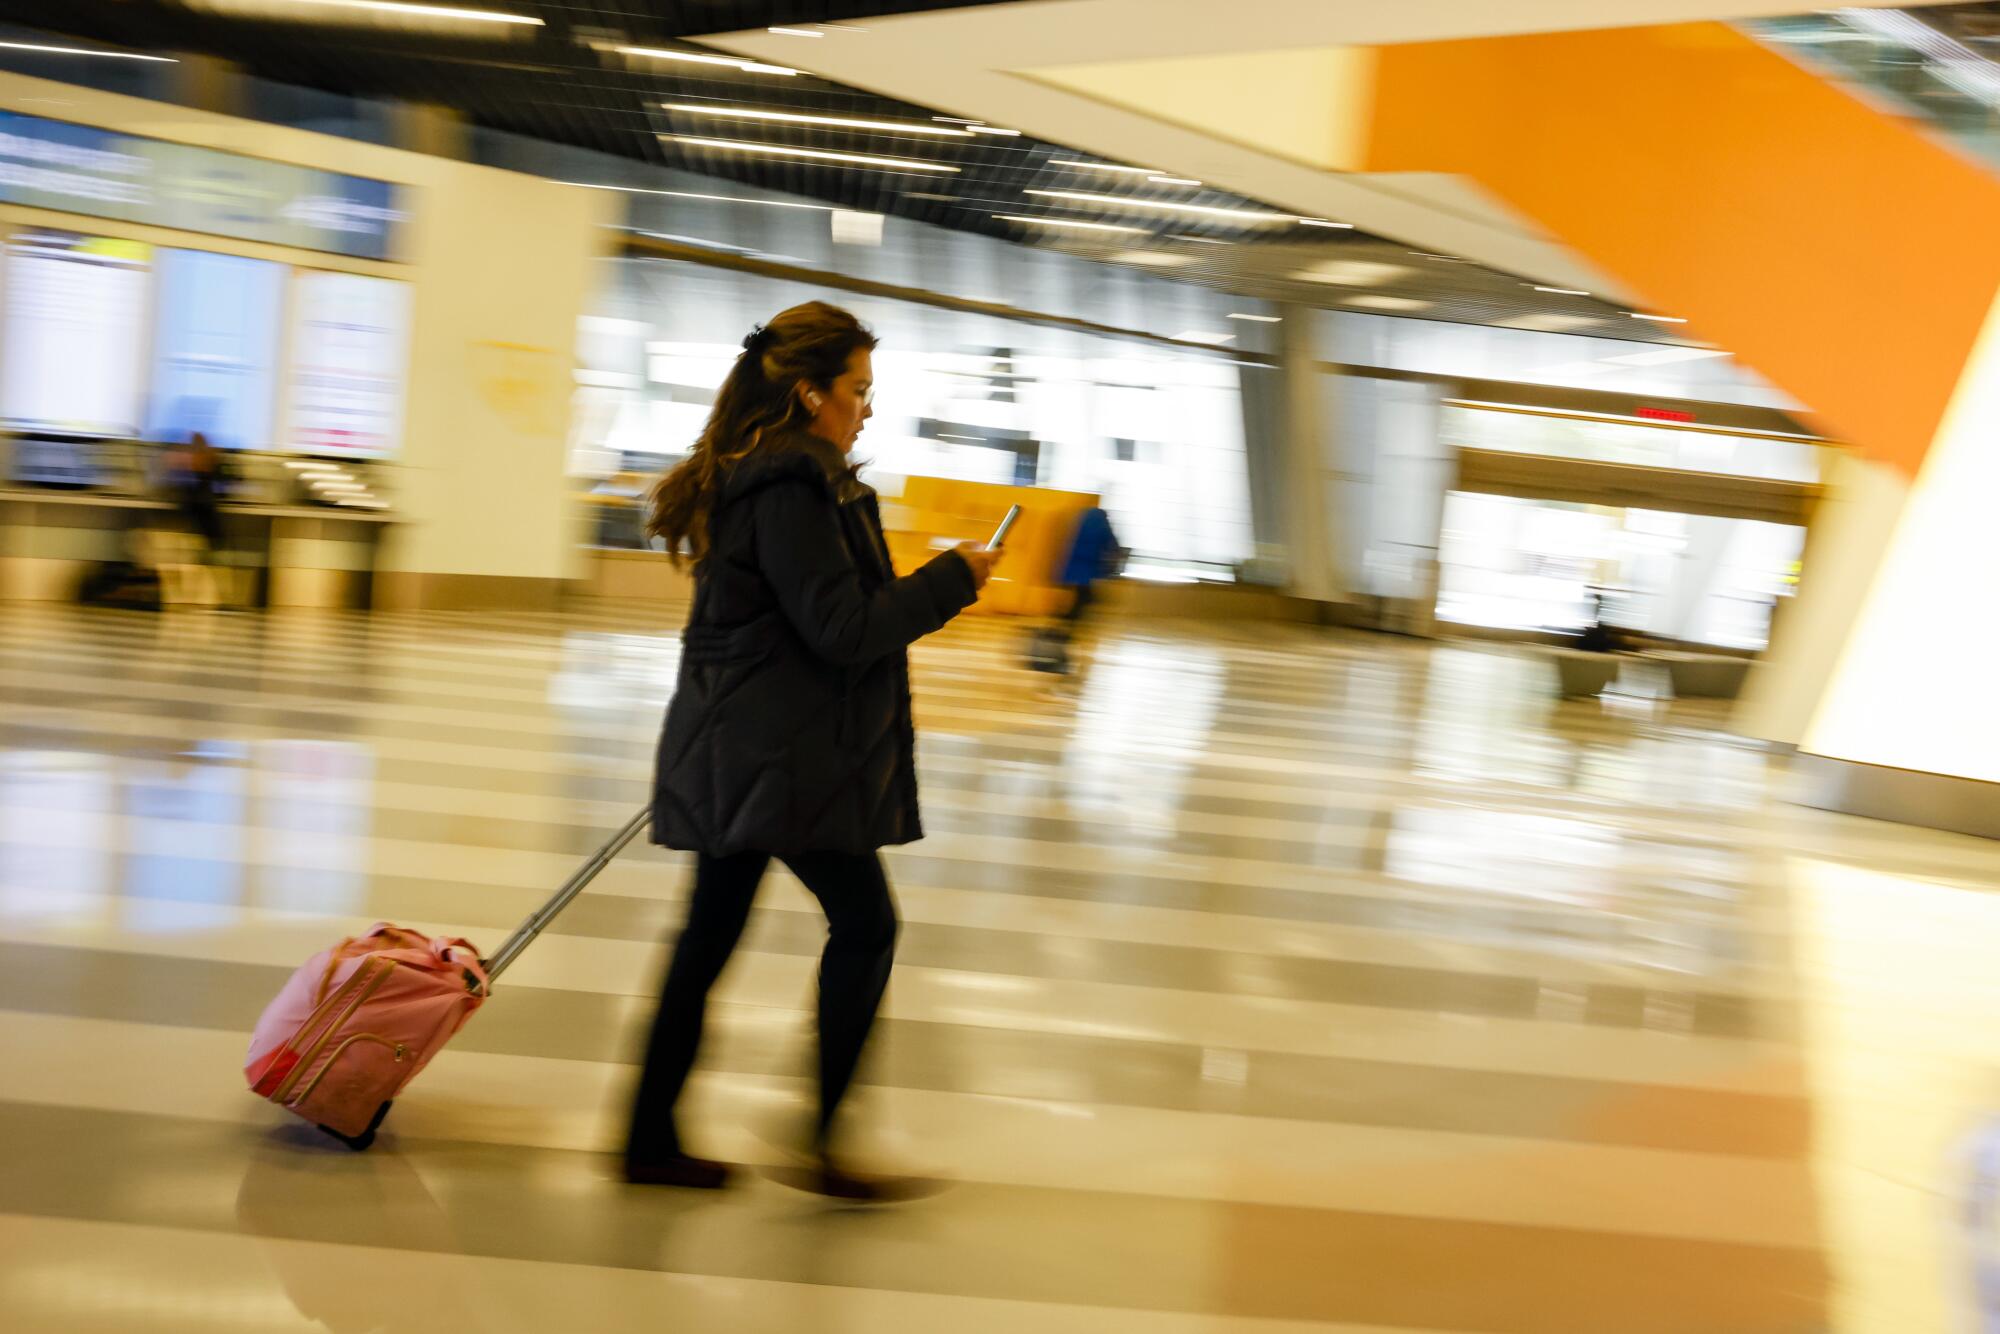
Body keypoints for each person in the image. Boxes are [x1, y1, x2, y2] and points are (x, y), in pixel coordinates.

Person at [624, 301, 999, 1199]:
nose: (866, 407)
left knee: (708, 938)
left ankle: (648, 1137)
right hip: (780, 757)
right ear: (809, 392)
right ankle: (820, 1142)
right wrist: (955, 579)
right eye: (857, 389)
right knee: (865, 925)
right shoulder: (791, 483)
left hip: (755, 746)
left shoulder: (778, 473)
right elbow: (842, 629)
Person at [1030, 503, 1122, 674]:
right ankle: (1060, 655)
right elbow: (1113, 550)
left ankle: (1054, 649)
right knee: (1074, 618)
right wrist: (1108, 573)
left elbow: (1059, 548)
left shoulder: (1077, 523)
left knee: (1063, 617)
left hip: (1065, 577)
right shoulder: (1103, 527)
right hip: (1085, 581)